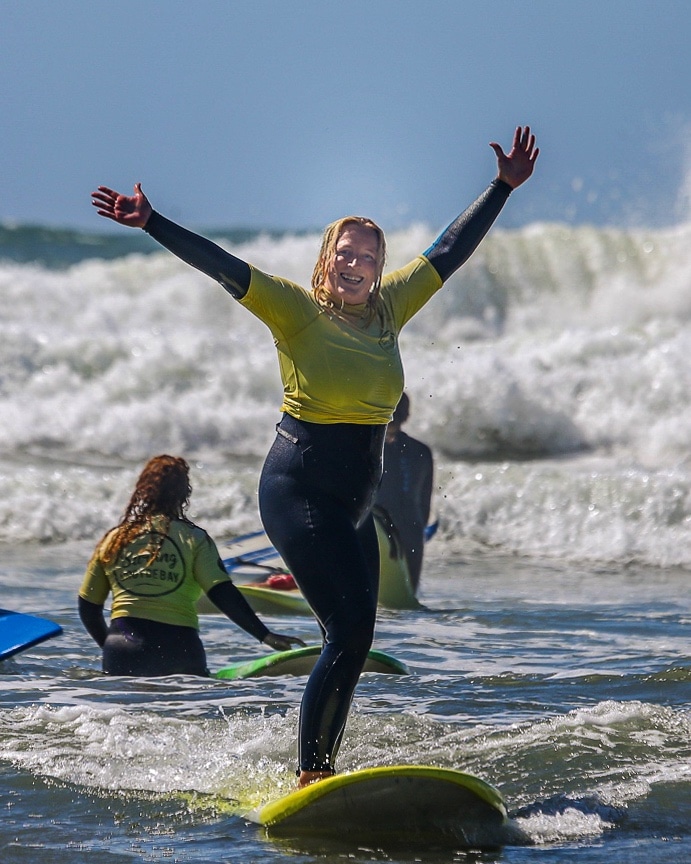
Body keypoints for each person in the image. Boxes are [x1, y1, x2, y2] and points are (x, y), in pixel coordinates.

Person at [91, 126, 538, 786]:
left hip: (355, 500)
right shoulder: (294, 309)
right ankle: (312, 774)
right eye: (344, 253)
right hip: (299, 487)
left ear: (378, 268)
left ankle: (317, 762)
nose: (354, 264)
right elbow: (221, 265)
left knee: (353, 637)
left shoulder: (390, 308)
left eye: (368, 256)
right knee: (350, 631)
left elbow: (449, 250)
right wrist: (153, 221)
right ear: (325, 262)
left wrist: (501, 187)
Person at [78, 455, 304, 677]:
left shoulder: (114, 540)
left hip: (123, 650)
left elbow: (88, 607)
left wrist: (112, 645)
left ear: (142, 490)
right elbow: (222, 592)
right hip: (179, 651)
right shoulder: (194, 539)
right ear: (185, 494)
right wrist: (264, 635)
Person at [375, 392, 434, 593]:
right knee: (408, 594)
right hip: (413, 528)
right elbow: (425, 505)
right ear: (407, 415)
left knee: (370, 594)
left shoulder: (372, 447)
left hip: (379, 529)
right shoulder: (423, 451)